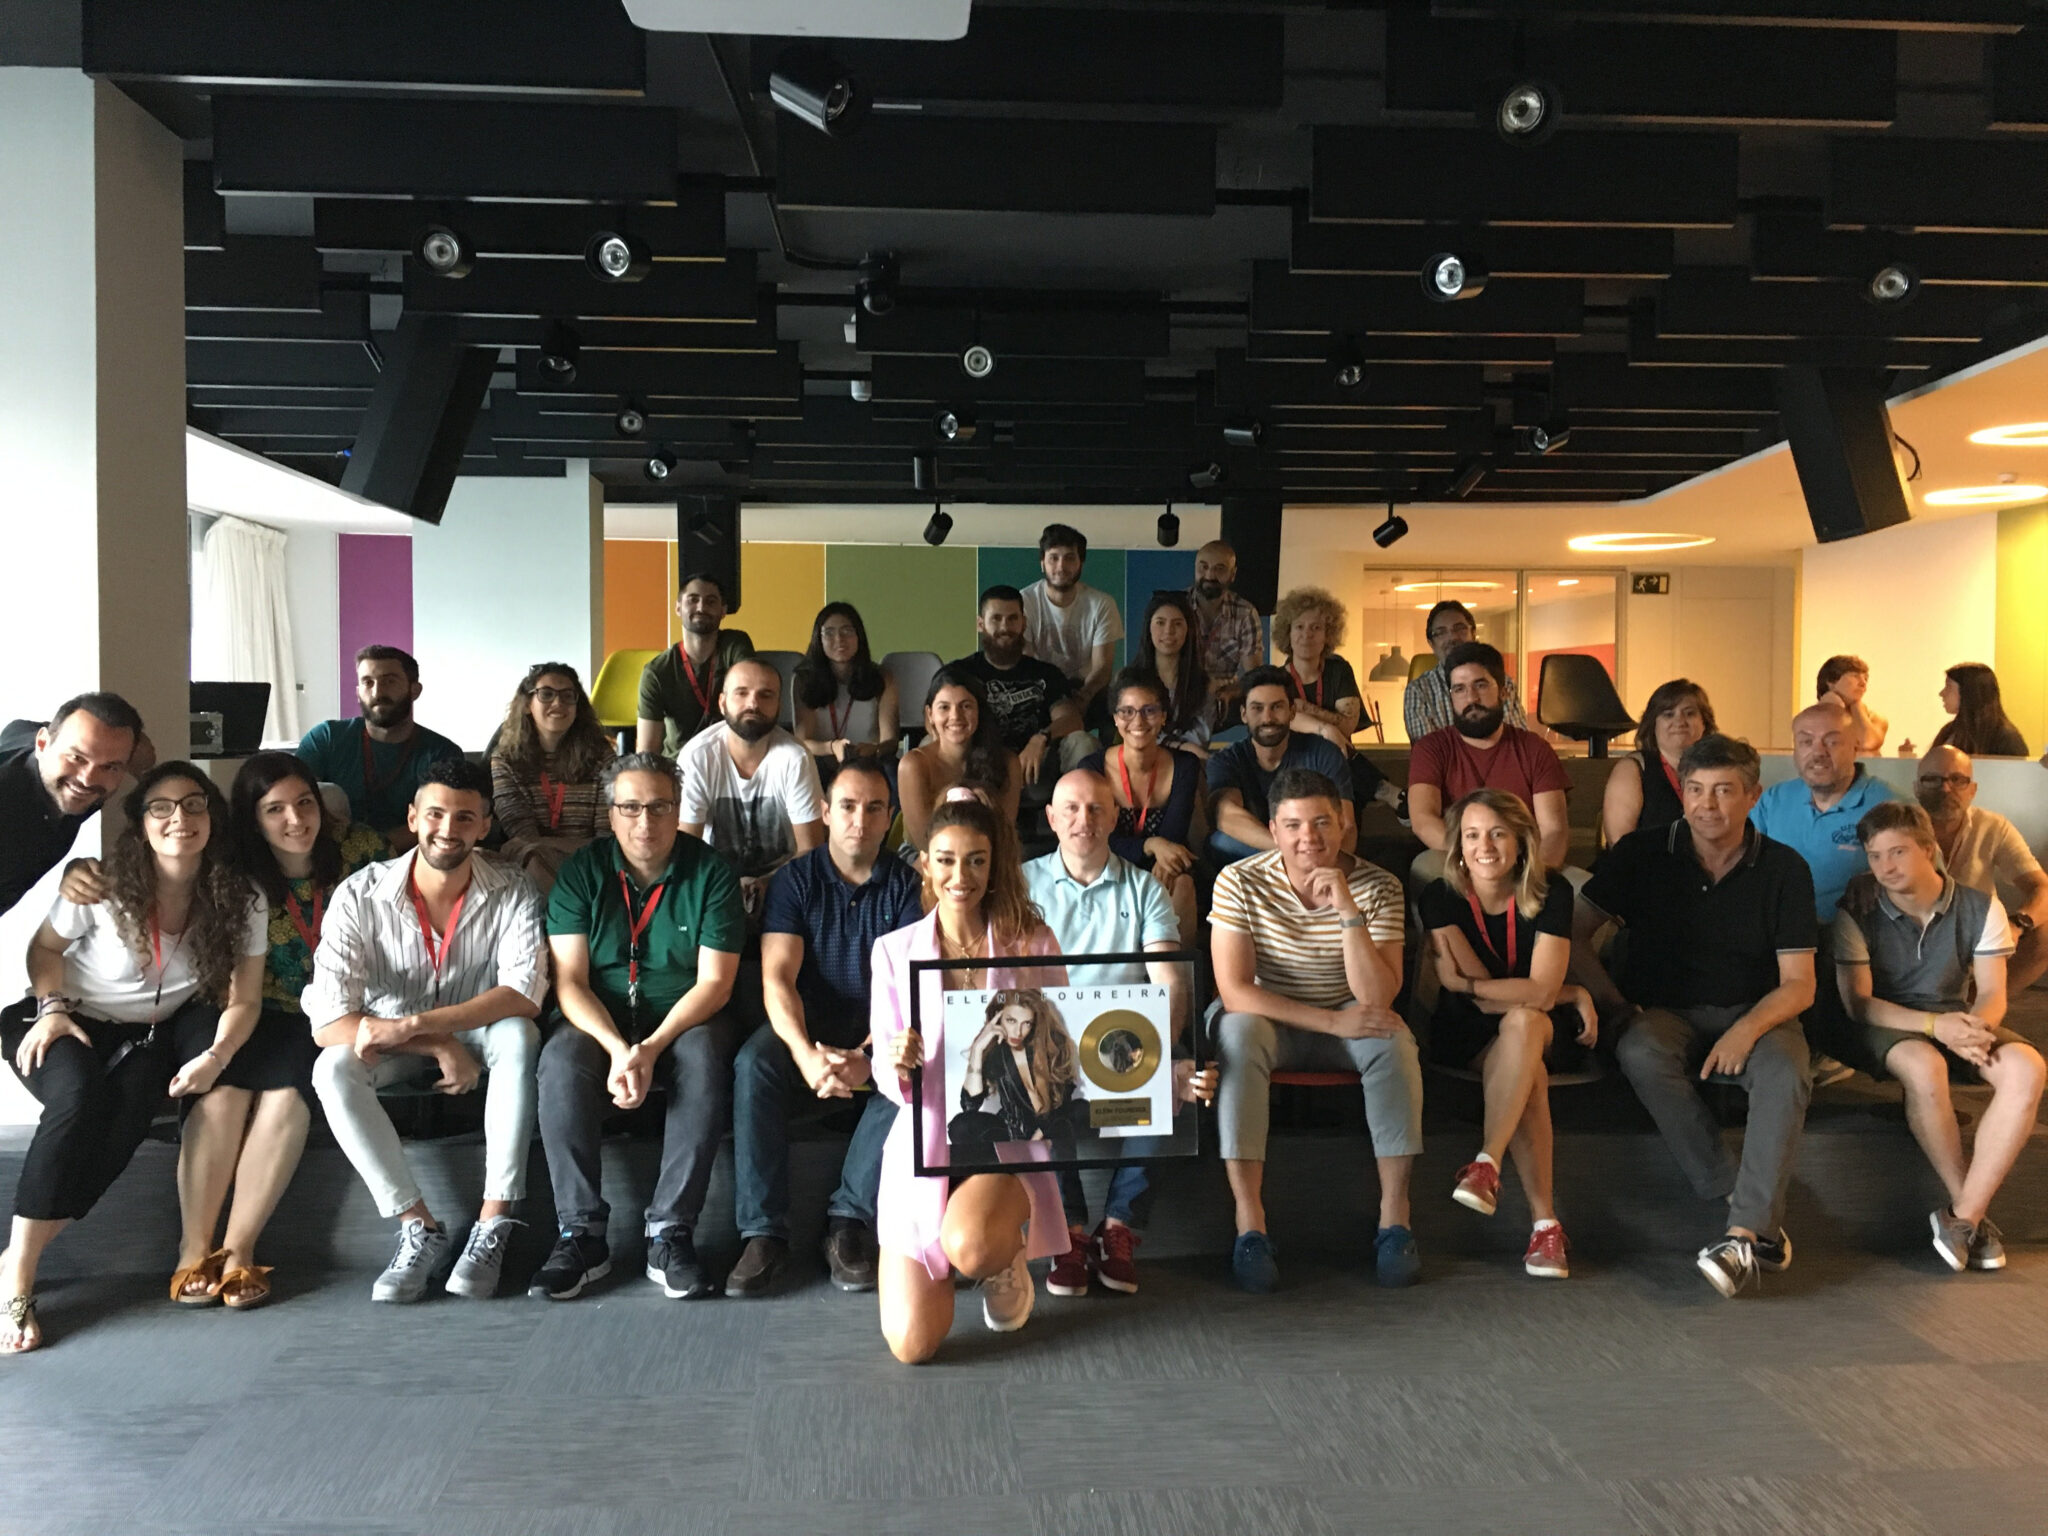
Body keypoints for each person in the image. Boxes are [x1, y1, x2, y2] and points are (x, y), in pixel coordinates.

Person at [0, 763, 267, 1353]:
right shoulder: (103, 884)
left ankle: (16, 1253)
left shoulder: (239, 898)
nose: (180, 819)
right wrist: (51, 1008)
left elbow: (244, 999)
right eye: (161, 808)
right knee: (78, 1099)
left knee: (127, 1122)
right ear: (141, 823)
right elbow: (44, 948)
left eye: (194, 804)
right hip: (60, 1017)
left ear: (213, 817)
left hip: (142, 1036)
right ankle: (18, 1278)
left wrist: (217, 1055)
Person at [1576, 733, 1818, 1300]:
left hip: (1758, 1012)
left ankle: (1739, 1237)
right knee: (1639, 1050)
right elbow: (1572, 935)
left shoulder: (1785, 868)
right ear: (1681, 793)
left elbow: (1799, 984)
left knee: (1787, 1071)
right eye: (1695, 789)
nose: (1707, 804)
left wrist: (1746, 1030)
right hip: (1663, 1011)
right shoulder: (1641, 853)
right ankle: (1745, 1206)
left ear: (1753, 796)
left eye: (1724, 791)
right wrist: (1613, 1003)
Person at [303, 759, 547, 1304]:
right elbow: (329, 1022)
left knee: (519, 1035)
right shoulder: (359, 894)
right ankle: (418, 1225)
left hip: (475, 1029)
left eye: (465, 818)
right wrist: (434, 1041)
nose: (448, 829)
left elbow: (523, 994)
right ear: (413, 817)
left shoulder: (514, 888)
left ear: (485, 826)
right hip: (392, 1035)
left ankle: (493, 1221)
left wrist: (426, 1024)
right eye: (435, 814)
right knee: (332, 1068)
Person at [162, 753, 388, 1314]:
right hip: (242, 1006)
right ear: (252, 817)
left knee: (287, 1095)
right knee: (224, 1094)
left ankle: (239, 1250)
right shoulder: (232, 871)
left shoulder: (360, 852)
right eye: (275, 809)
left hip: (326, 1015)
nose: (295, 819)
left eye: (305, 802)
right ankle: (194, 1249)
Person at [530, 753, 745, 1302]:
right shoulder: (581, 872)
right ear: (611, 813)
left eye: (658, 807)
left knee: (703, 1058)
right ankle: (581, 1233)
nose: (644, 822)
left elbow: (716, 984)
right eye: (630, 807)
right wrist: (617, 1048)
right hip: (598, 1021)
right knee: (559, 1061)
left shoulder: (711, 873)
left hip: (685, 1019)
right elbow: (569, 981)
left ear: (678, 809)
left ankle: (670, 1231)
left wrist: (650, 1046)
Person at [870, 797, 1069, 1362]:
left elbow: (1068, 1043)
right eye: (946, 860)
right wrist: (897, 1061)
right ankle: (967, 1235)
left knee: (974, 1247)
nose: (961, 875)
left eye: (977, 860)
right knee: (911, 1347)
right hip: (927, 1143)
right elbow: (886, 1070)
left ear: (994, 864)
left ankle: (1001, 1252)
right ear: (925, 865)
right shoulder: (894, 952)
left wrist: (1169, 1079)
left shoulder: (1031, 941)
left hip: (1004, 1143)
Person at [1210, 769, 1417, 1294]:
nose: (1309, 838)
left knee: (1392, 1040)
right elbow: (1235, 991)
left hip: (1348, 1012)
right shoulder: (1238, 880)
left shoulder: (1380, 886)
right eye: (1294, 825)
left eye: (1322, 822)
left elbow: (1377, 997)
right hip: (1270, 1018)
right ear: (1273, 831)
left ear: (1344, 823)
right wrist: (1329, 1021)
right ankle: (1250, 1225)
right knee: (1236, 1033)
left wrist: (1348, 912)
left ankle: (1395, 1220)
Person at [730, 757, 922, 1297]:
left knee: (913, 1068)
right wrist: (805, 1054)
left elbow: (910, 989)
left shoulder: (908, 887)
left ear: (891, 817)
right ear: (825, 812)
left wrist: (870, 1058)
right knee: (753, 1064)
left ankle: (849, 1220)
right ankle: (763, 1232)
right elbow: (777, 977)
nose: (860, 820)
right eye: (848, 806)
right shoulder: (795, 880)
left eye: (875, 808)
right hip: (806, 1023)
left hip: (881, 1025)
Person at [1834, 801, 2044, 1272]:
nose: (1885, 867)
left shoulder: (1979, 906)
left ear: (1928, 850)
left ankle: (1962, 1217)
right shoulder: (1857, 911)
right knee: (1925, 1065)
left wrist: (1975, 1030)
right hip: (1891, 1024)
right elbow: (1860, 1005)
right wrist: (1936, 1028)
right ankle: (1970, 1215)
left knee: (2027, 1069)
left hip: (1957, 1018)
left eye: (1898, 852)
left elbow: (1991, 992)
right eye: (1875, 856)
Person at [1024, 768, 1188, 1298]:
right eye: (1071, 808)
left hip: (1120, 1041)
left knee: (1166, 1071)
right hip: (1045, 1039)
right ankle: (1068, 1232)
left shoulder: (1145, 889)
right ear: (1051, 818)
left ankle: (1118, 1228)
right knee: (1027, 1078)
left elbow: (1168, 981)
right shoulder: (1020, 886)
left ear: (1115, 817)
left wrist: (1163, 1049)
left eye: (1096, 808)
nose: (1084, 819)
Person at [1423, 790, 1597, 1280]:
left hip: (1537, 1024)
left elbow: (1529, 990)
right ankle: (1545, 1226)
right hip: (1470, 1031)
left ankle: (1487, 1163)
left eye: (1498, 834)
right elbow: (1485, 999)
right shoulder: (1439, 896)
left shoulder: (1552, 890)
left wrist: (1549, 993)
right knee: (1528, 1065)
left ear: (1521, 842)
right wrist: (1564, 993)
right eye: (1472, 835)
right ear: (1458, 845)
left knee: (1524, 1023)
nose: (1485, 847)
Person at [1406, 643, 1571, 878]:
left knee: (1580, 887)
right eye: (1459, 689)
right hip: (1458, 860)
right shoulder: (1431, 748)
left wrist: (1530, 876)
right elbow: (1423, 820)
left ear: (1503, 692)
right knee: (1425, 867)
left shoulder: (1535, 749)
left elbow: (1554, 830)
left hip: (1525, 865)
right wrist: (1480, 859)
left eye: (1481, 685)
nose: (1471, 698)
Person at [676, 657, 824, 913]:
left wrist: (767, 884)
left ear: (779, 706)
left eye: (766, 695)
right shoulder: (697, 757)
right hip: (713, 886)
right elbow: (687, 851)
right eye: (741, 693)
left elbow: (810, 850)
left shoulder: (795, 758)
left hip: (786, 884)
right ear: (722, 702)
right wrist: (727, 889)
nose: (753, 704)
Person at [296, 645, 463, 848]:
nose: (377, 692)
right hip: (328, 853)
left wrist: (370, 850)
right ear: (358, 692)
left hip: (406, 858)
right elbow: (293, 801)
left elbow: (440, 821)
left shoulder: (442, 753)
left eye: (389, 681)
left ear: (415, 690)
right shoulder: (326, 737)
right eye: (368, 682)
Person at [0, 693, 148, 920]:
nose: (87, 779)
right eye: (77, 758)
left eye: (110, 767)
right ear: (42, 744)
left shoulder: (31, 739)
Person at [1751, 700, 1899, 925]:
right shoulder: (1774, 800)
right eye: (1806, 742)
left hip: (1857, 937)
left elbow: (1923, 881)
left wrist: (1877, 880)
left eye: (1832, 741)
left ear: (1855, 748)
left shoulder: (1891, 805)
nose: (1818, 752)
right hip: (1779, 931)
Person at [1915, 744, 2048, 991]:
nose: (1945, 788)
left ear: (1973, 790)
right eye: (1932, 779)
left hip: (1978, 938)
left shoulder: (1993, 826)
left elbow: (2042, 887)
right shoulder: (1897, 827)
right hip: (1915, 939)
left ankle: (1981, 1002)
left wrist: (2018, 924)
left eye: (1957, 780)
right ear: (1916, 788)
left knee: (2045, 931)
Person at [1081, 669, 1202, 940]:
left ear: (1163, 716)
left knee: (1183, 882)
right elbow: (1096, 839)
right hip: (1107, 862)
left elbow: (1174, 834)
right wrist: (1151, 845)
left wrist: (1162, 850)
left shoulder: (1185, 765)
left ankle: (1177, 967)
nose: (1138, 721)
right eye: (1127, 711)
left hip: (1164, 862)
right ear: (1115, 718)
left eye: (1149, 711)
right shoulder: (1092, 768)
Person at [488, 662, 616, 896]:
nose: (558, 703)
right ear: (527, 704)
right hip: (530, 864)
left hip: (591, 860)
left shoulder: (602, 757)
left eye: (568, 696)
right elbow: (521, 835)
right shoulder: (506, 760)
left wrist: (548, 844)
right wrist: (543, 846)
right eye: (546, 694)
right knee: (533, 858)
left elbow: (605, 838)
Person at [1205, 667, 1354, 865]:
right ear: (1243, 714)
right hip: (1258, 860)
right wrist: (1291, 853)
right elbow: (1226, 816)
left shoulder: (1323, 753)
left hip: (1315, 855)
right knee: (1221, 842)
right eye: (1257, 708)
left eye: (1277, 707)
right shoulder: (1227, 760)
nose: (1267, 718)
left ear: (1292, 712)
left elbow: (1346, 825)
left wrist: (1320, 866)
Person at [947, 585, 1093, 786]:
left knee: (1082, 742)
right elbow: (934, 719)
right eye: (996, 619)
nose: (1005, 627)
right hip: (976, 763)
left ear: (1023, 623)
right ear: (980, 624)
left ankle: (1076, 804)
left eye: (1012, 619)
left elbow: (1071, 719)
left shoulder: (1046, 673)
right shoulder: (959, 673)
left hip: (1036, 766)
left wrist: (1040, 739)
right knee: (930, 743)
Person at [896, 667, 1022, 854]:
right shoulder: (913, 765)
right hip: (926, 856)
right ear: (930, 714)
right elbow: (923, 842)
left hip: (988, 855)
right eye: (944, 707)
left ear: (979, 711)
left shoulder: (1008, 762)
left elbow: (1005, 837)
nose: (955, 716)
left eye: (966, 706)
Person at [635, 573, 756, 755]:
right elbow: (647, 750)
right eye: (693, 600)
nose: (701, 607)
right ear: (678, 608)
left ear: (723, 611)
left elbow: (751, 696)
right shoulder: (657, 672)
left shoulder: (735, 645)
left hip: (729, 760)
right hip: (678, 765)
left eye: (711, 601)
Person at [953, 989, 1083, 1149]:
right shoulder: (995, 1051)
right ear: (998, 1017)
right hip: (1012, 1131)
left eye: (1026, 1023)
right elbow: (969, 1106)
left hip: (1051, 1127)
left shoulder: (1052, 1046)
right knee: (961, 1125)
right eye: (1011, 1021)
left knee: (1082, 1110)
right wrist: (977, 1050)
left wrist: (1036, 1139)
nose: (1018, 1032)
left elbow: (1064, 1100)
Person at [1019, 523, 1123, 719]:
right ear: (1042, 563)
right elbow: (1027, 663)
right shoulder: (1024, 602)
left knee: (1116, 701)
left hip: (1087, 688)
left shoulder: (1102, 604)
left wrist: (1083, 698)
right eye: (1053, 558)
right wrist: (1054, 703)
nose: (1061, 566)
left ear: (1081, 563)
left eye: (1069, 558)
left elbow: (1102, 668)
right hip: (1041, 688)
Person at [1601, 679, 1716, 845]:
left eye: (1689, 713)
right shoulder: (1632, 769)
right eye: (1668, 714)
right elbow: (1620, 844)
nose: (1680, 721)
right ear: (1653, 724)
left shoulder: (1717, 770)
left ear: (1704, 723)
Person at [1404, 601, 1528, 743]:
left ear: (1473, 634)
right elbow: (1429, 750)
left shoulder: (1502, 682)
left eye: (1459, 628)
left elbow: (1518, 742)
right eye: (1441, 632)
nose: (1452, 637)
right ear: (1431, 644)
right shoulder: (1419, 691)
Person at [791, 602, 899, 764]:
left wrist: (875, 749)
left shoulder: (882, 676)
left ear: (859, 636)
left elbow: (890, 741)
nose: (839, 639)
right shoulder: (804, 679)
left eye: (847, 631)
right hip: (821, 761)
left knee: (891, 767)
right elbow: (802, 742)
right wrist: (831, 747)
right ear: (819, 639)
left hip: (868, 761)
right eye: (829, 632)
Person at [1272, 585, 1362, 752]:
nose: (1307, 634)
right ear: (1288, 633)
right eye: (1299, 627)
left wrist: (1303, 708)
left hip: (1336, 758)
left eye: (1316, 627)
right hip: (1294, 760)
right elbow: (1281, 721)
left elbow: (1347, 727)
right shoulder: (1275, 679)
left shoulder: (1340, 670)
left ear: (1328, 635)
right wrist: (1327, 729)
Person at [1186, 540, 1262, 723]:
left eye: (1219, 569)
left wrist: (1231, 692)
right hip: (1181, 692)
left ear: (1232, 574)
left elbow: (1253, 674)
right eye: (1203, 567)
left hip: (1224, 696)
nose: (1209, 575)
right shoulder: (1177, 606)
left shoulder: (1245, 613)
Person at [1133, 591, 1212, 757]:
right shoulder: (1132, 680)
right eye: (1160, 623)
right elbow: (1134, 731)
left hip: (1187, 760)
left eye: (1177, 624)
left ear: (1188, 630)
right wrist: (1174, 744)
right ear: (1149, 627)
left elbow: (1200, 736)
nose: (1168, 631)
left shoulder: (1201, 683)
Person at [1932, 662, 2030, 758]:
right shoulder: (1949, 731)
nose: (1942, 693)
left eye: (1949, 687)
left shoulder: (2005, 738)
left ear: (1969, 692)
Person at [1817, 655, 1888, 755]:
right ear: (1831, 681)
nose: (1863, 683)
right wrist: (1834, 708)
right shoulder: (1809, 718)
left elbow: (1867, 742)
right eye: (1855, 676)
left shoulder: (1875, 719)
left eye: (1866, 678)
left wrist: (1858, 707)